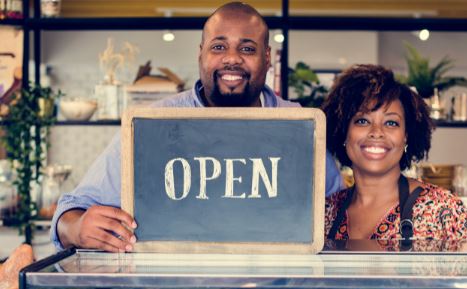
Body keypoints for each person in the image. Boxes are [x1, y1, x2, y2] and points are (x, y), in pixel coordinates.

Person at [51, 2, 343, 253]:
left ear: (267, 58)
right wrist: (77, 228)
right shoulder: (153, 125)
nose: (232, 58)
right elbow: (71, 211)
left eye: (247, 48)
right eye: (219, 47)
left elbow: (339, 213)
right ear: (201, 53)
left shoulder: (301, 128)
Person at [322, 64, 467, 244]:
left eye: (391, 123)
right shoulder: (326, 212)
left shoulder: (443, 210)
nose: (377, 132)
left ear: (406, 137)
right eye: (362, 120)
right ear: (343, 133)